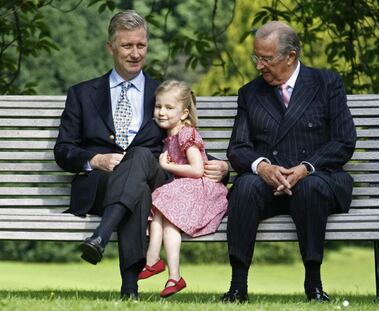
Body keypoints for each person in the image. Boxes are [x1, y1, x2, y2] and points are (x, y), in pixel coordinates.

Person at [53, 10, 228, 300]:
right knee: (139, 191)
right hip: (100, 185)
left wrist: (222, 167)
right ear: (111, 47)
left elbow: (188, 140)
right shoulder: (82, 94)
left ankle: (101, 235)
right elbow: (63, 150)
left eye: (141, 46)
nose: (135, 53)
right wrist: (95, 160)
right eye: (127, 46)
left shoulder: (163, 96)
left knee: (141, 159)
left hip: (155, 179)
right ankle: (129, 289)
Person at [221, 21, 356, 303]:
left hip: (316, 179)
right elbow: (238, 148)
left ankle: (314, 284)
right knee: (244, 188)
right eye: (256, 57)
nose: (259, 65)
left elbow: (343, 141)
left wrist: (306, 167)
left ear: (291, 56)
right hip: (268, 182)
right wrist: (263, 167)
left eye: (266, 59)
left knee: (310, 189)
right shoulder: (250, 93)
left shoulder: (326, 83)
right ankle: (237, 287)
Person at [137, 80, 228, 298]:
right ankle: (172, 275)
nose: (161, 112)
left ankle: (153, 261)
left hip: (201, 190)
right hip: (184, 190)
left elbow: (197, 170)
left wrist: (167, 166)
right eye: (158, 107)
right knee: (162, 211)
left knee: (161, 201)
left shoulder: (186, 134)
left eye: (169, 108)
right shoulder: (169, 137)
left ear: (184, 113)